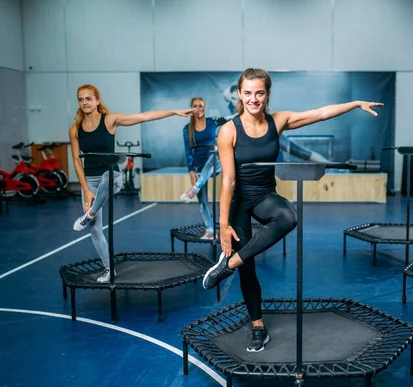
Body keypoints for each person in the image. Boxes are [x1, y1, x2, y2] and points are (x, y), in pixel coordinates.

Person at [201, 68, 383, 352]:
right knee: (249, 270)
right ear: (240, 94)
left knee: (288, 216)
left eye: (259, 93)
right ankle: (258, 327)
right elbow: (228, 180)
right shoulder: (228, 131)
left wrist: (355, 104)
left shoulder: (279, 121)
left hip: (264, 196)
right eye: (247, 93)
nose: (253, 99)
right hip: (239, 200)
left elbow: (321, 112)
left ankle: (229, 264)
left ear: (267, 94)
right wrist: (223, 224)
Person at [69, 84, 191, 283]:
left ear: (97, 100)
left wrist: (174, 112)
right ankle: (109, 270)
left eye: (88, 98)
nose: (85, 103)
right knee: (95, 229)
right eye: (81, 99)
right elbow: (76, 160)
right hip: (90, 180)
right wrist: (85, 189)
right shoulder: (75, 129)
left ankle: (89, 214)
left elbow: (144, 116)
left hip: (111, 176)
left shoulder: (110, 120)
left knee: (108, 178)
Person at [180, 97, 230, 240]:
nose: (198, 109)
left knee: (215, 155)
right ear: (191, 109)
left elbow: (231, 118)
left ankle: (194, 188)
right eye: (195, 106)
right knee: (202, 200)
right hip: (199, 167)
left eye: (201, 106)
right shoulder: (186, 129)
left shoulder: (213, 122)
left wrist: (245, 110)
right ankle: (210, 229)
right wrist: (191, 170)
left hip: (216, 163)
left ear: (205, 107)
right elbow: (188, 150)